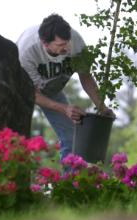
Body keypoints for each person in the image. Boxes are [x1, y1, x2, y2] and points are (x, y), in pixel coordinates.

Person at [16, 13, 115, 160]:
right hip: (21, 91)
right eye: (60, 45)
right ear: (45, 43)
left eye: (67, 42)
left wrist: (102, 107)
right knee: (16, 139)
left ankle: (69, 181)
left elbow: (86, 76)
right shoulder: (27, 50)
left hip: (52, 89)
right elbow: (32, 93)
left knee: (71, 138)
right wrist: (64, 109)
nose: (67, 48)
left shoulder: (76, 41)